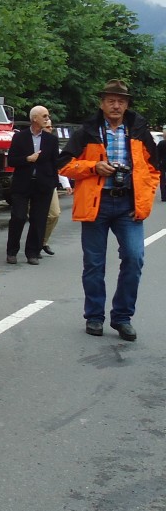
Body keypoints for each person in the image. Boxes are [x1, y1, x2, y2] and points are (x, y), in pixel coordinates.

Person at [58, 80, 160, 341]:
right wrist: (94, 167)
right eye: (111, 100)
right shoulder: (87, 131)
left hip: (128, 203)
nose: (116, 105)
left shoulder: (138, 130)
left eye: (122, 101)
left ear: (127, 104)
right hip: (97, 204)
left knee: (134, 259)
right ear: (102, 103)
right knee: (94, 264)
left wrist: (144, 198)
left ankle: (122, 317)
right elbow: (64, 165)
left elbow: (153, 169)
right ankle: (94, 316)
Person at [5, 105, 59, 265]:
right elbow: (12, 160)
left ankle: (32, 253)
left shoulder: (51, 139)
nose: (47, 119)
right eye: (44, 116)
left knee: (39, 219)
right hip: (23, 183)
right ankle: (12, 251)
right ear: (34, 118)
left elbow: (55, 162)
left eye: (48, 116)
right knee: (18, 217)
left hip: (43, 184)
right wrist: (27, 159)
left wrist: (53, 182)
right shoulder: (20, 137)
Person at [40, 115, 65, 254]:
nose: (50, 129)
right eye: (47, 127)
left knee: (54, 214)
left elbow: (59, 165)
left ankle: (43, 241)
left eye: (51, 127)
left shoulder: (53, 142)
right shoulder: (32, 141)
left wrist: (66, 184)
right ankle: (34, 244)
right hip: (33, 184)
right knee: (35, 216)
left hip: (50, 184)